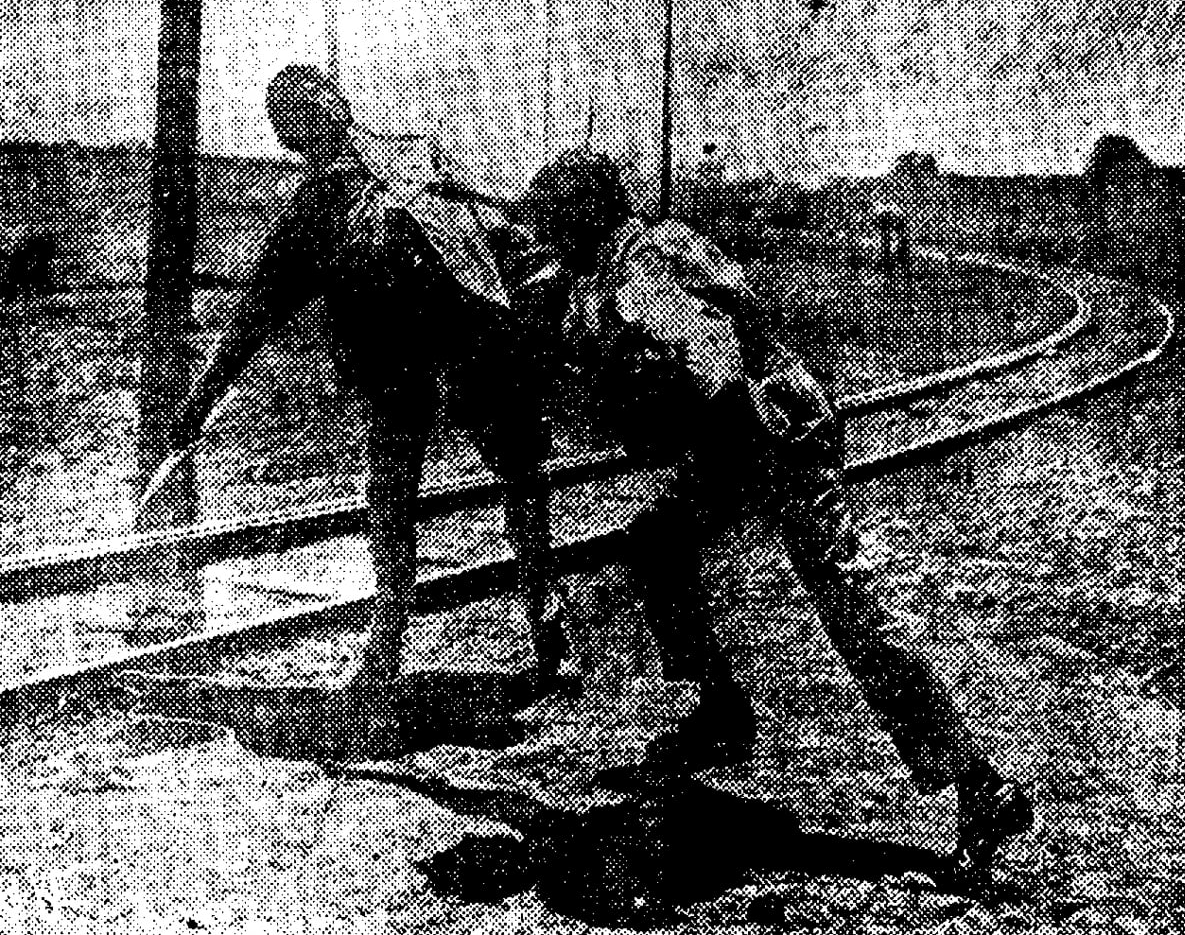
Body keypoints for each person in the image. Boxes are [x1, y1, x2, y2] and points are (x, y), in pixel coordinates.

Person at [520, 148, 1034, 880]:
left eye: (554, 227)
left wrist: (632, 392)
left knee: (851, 607)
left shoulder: (637, 275)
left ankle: (981, 784)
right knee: (658, 547)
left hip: (772, 435)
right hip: (747, 432)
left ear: (581, 222)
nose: (548, 243)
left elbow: (706, 366)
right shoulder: (642, 246)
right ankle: (721, 707)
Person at [169, 65, 559, 690]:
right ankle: (504, 619)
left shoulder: (346, 194)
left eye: (294, 118)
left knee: (436, 484)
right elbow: (255, 317)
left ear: (300, 127)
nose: (298, 130)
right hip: (442, 348)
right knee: (478, 479)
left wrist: (193, 412)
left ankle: (427, 637)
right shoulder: (391, 173)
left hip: (436, 344)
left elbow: (251, 321)